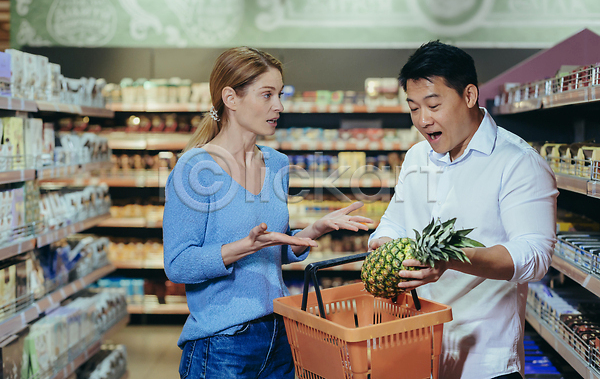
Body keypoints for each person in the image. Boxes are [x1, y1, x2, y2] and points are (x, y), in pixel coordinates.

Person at [162, 46, 373, 379]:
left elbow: (277, 250)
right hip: (221, 345)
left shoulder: (276, 163)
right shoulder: (195, 168)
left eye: (280, 95)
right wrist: (241, 248)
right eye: (267, 95)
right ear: (230, 98)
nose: (279, 106)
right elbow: (177, 264)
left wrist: (315, 229)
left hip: (279, 335)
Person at [368, 41, 558, 379]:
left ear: (469, 96)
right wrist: (385, 246)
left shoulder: (517, 162)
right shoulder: (417, 158)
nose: (423, 120)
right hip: (415, 351)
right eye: (413, 108)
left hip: (485, 359)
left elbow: (534, 255)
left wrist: (452, 258)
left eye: (434, 105)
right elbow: (394, 222)